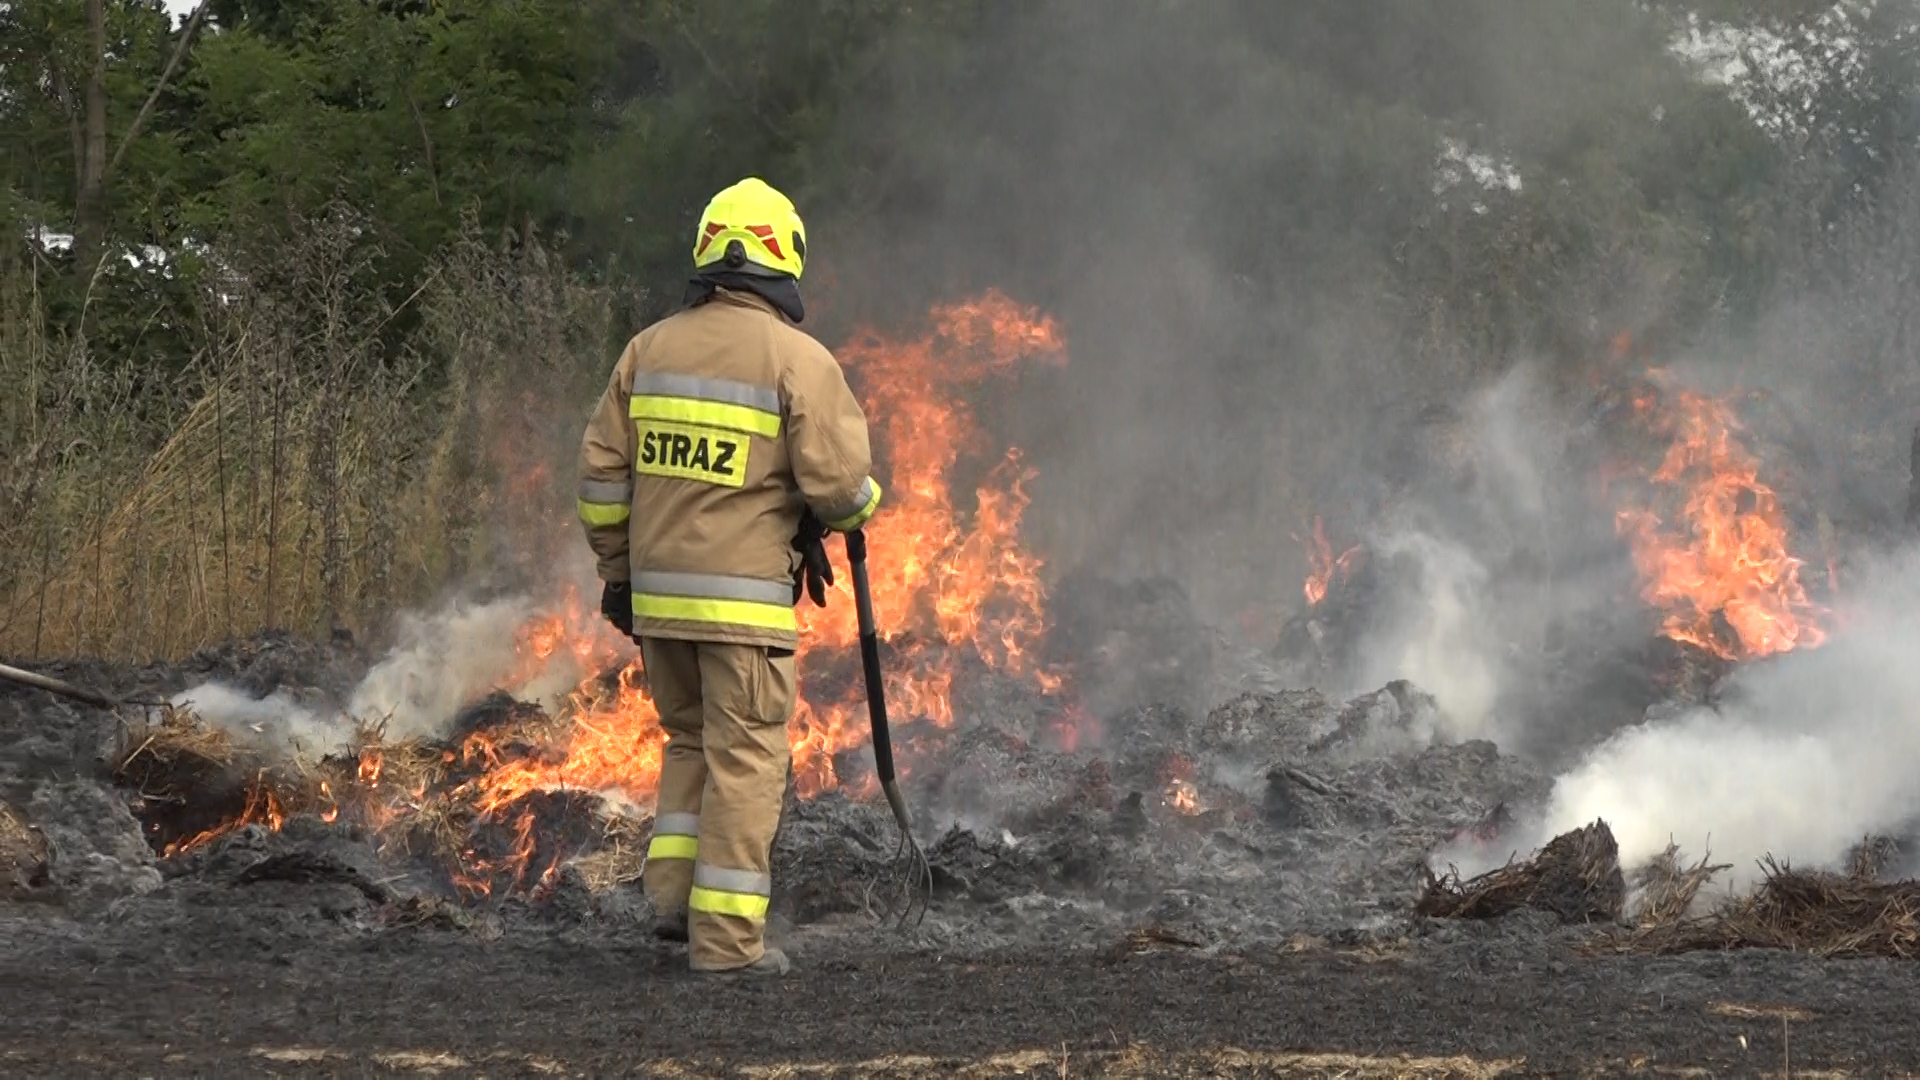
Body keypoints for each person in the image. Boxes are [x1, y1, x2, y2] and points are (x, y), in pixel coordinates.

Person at [574, 177, 881, 976]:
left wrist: (620, 576)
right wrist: (858, 506)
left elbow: (602, 477)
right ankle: (728, 946)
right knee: (748, 760)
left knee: (689, 743)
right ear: (785, 260)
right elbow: (840, 488)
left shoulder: (648, 349)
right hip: (741, 611)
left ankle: (672, 906)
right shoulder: (796, 359)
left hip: (659, 606)